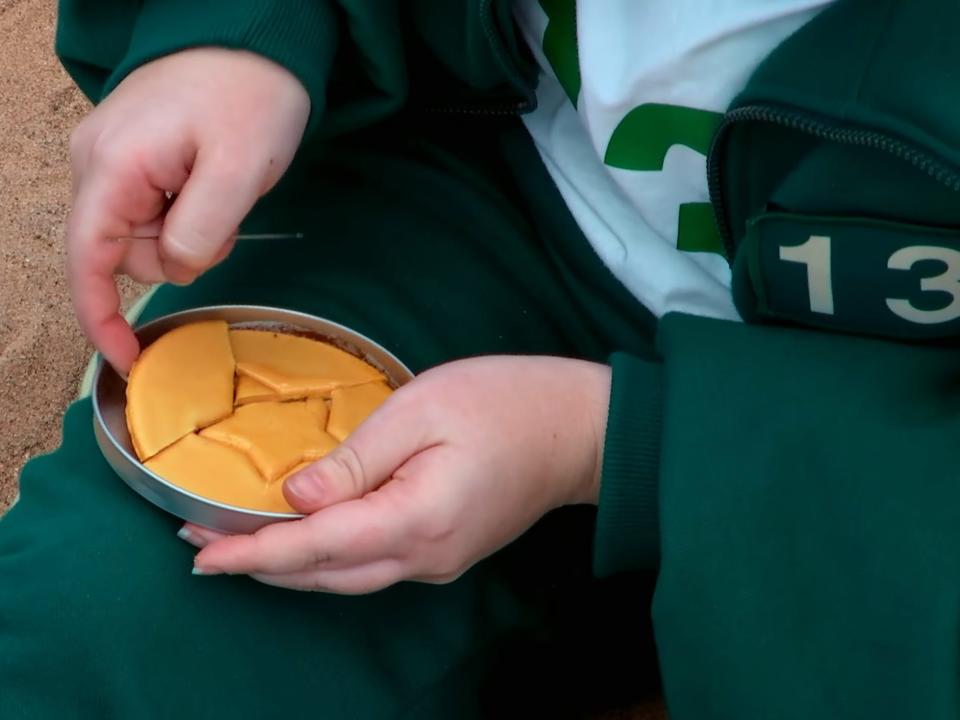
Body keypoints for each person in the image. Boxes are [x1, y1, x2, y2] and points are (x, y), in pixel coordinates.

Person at [3, 0, 960, 717]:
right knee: (92, 620)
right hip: (484, 195)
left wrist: (609, 445)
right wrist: (237, 34)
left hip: (879, 458)